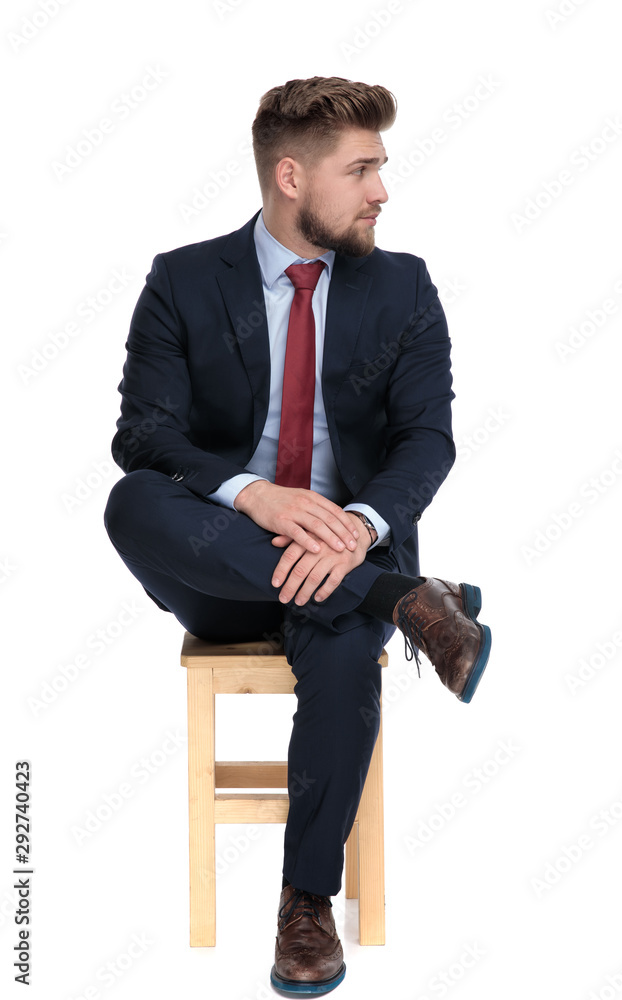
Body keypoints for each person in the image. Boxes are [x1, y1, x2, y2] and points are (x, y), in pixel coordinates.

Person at [104, 75, 491, 996]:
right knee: (130, 501)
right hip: (224, 566)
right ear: (289, 176)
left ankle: (306, 901)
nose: (380, 192)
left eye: (381, 169)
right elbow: (144, 435)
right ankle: (411, 605)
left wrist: (356, 526)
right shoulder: (184, 279)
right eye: (361, 170)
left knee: (347, 648)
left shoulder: (401, 286)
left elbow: (425, 440)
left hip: (348, 561)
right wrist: (252, 497)